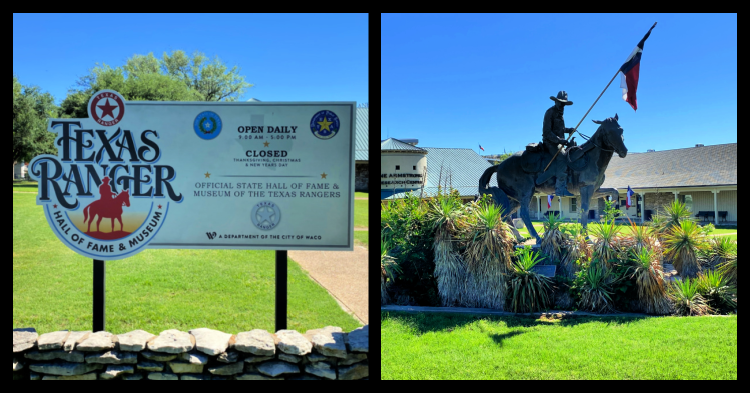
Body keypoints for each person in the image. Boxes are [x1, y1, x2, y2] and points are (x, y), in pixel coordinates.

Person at [536, 91, 577, 197]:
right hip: (550, 142)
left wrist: (569, 130)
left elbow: (560, 129)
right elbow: (547, 132)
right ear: (556, 102)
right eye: (560, 103)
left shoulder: (560, 115)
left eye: (564, 104)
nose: (562, 105)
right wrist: (559, 140)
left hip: (559, 142)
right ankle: (560, 189)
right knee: (563, 157)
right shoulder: (549, 112)